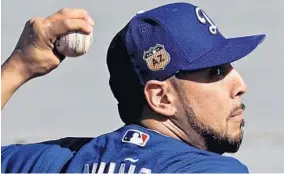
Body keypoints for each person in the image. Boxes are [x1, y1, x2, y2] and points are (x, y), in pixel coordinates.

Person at [1, 2, 265, 173]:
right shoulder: (209, 171)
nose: (240, 85)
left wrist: (18, 68)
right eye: (215, 72)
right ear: (161, 98)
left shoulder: (57, 161)